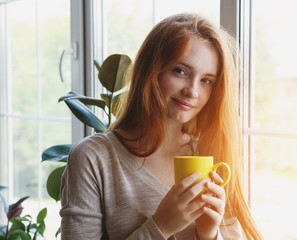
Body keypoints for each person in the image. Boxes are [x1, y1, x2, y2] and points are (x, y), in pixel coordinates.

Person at [60, 13, 263, 240]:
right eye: (181, 71)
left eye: (206, 80)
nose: (193, 91)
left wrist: (209, 235)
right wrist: (161, 226)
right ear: (151, 70)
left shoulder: (210, 154)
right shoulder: (92, 158)